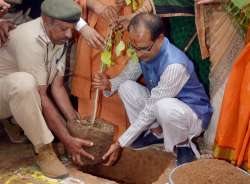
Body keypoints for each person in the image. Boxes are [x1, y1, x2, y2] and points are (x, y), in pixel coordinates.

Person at [93, 13, 212, 166]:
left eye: (143, 49)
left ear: (160, 40)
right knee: (126, 87)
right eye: (134, 48)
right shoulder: (142, 49)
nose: (138, 54)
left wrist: (120, 143)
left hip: (192, 116)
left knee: (163, 106)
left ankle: (184, 146)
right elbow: (128, 75)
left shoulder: (175, 65)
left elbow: (151, 108)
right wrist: (110, 84)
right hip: (162, 109)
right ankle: (157, 134)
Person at [0, 0, 95, 178]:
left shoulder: (58, 34)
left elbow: (57, 87)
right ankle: (44, 150)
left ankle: (17, 121)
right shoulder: (31, 39)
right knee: (24, 84)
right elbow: (42, 97)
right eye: (63, 29)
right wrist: (67, 140)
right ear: (45, 20)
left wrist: (75, 123)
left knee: (27, 86)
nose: (69, 35)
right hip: (4, 97)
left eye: (72, 28)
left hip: (12, 97)